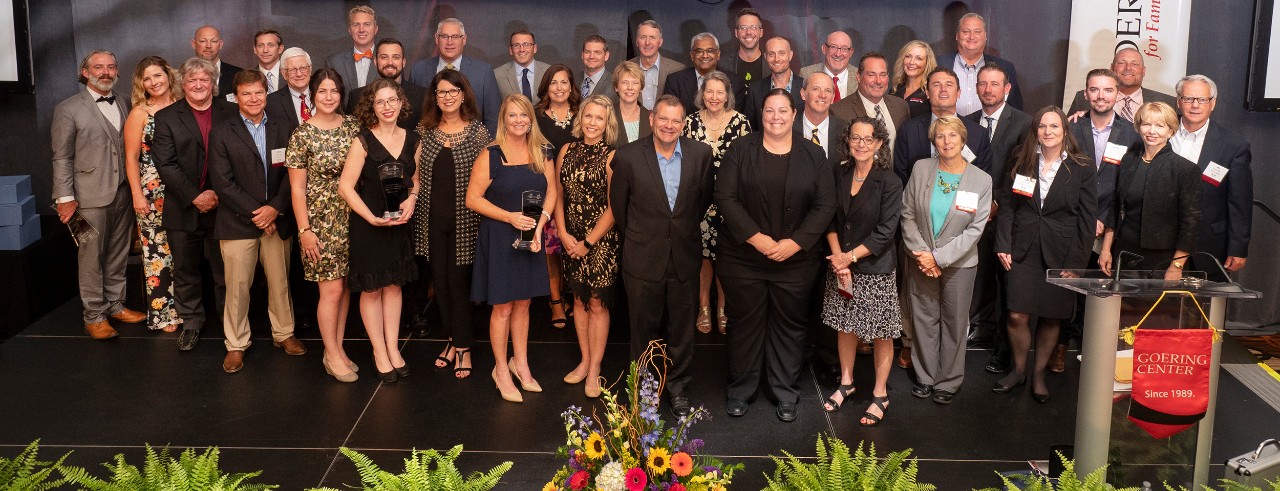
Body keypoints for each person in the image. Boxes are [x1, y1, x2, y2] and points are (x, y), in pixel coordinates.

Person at [717, 89, 836, 422]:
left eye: (783, 111)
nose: (776, 117)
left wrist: (794, 243)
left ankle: (785, 391)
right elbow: (725, 198)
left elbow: (826, 205)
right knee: (744, 323)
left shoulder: (814, 154)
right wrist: (758, 240)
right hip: (743, 258)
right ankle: (741, 389)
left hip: (795, 261)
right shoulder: (740, 150)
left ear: (794, 115)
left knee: (789, 325)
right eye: (769, 111)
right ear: (761, 115)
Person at [610, 94, 714, 417]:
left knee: (682, 329)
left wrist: (676, 231)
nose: (669, 125)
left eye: (676, 120)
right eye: (663, 119)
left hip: (684, 255)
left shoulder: (700, 154)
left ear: (683, 123)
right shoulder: (627, 156)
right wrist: (644, 236)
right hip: (642, 257)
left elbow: (702, 200)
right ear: (652, 119)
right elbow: (619, 207)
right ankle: (644, 390)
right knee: (643, 329)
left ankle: (678, 389)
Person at [994, 107, 1096, 404]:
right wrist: (1003, 243)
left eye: (1054, 126)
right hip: (1021, 247)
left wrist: (1077, 263)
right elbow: (1007, 205)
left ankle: (1039, 374)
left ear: (1065, 130)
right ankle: (1019, 370)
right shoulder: (1021, 158)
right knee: (1016, 313)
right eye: (1042, 126)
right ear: (1035, 129)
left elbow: (1087, 220)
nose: (1048, 131)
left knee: (1052, 317)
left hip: (1062, 252)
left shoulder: (1082, 166)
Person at [466, 94, 558, 403]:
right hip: (500, 237)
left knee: (524, 304)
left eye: (524, 116)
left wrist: (541, 225)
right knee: (503, 306)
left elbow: (552, 193)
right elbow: (473, 199)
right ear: (503, 120)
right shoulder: (489, 155)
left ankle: (520, 365)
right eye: (512, 116)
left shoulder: (543, 151)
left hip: (530, 238)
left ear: (531, 119)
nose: (518, 121)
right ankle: (500, 371)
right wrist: (510, 217)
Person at [207, 70, 300, 374]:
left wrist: (275, 208)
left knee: (280, 282)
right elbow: (223, 182)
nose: (253, 99)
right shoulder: (222, 131)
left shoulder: (283, 127)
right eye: (246, 94)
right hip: (237, 223)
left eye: (259, 92)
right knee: (237, 287)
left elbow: (294, 173)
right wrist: (259, 213)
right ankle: (236, 344)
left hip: (277, 218)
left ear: (266, 93)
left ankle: (284, 333)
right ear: (235, 97)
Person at [51, 49, 144, 340]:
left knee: (118, 254)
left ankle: (115, 305)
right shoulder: (68, 108)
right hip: (86, 198)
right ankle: (94, 316)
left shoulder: (127, 103)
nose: (106, 72)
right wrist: (64, 196)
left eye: (111, 67)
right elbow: (62, 157)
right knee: (91, 257)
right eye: (99, 67)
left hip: (124, 193)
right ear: (85, 72)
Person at [900, 115, 992, 405]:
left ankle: (948, 381)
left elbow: (976, 229)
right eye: (940, 136)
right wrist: (924, 256)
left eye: (952, 136)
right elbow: (907, 214)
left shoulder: (981, 179)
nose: (946, 141)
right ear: (933, 140)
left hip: (959, 265)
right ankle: (925, 377)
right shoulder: (921, 168)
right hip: (921, 259)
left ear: (963, 139)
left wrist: (938, 258)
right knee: (924, 318)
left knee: (954, 322)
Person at [1056, 68, 1141, 374]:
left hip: (1110, 227)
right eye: (1095, 90)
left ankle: (1092, 352)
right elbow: (1060, 179)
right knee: (1067, 290)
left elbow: (1128, 186)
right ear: (1086, 93)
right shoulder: (1070, 128)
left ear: (1117, 94)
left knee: (1100, 292)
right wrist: (1084, 218)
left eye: (1107, 90)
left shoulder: (1132, 134)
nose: (1101, 96)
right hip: (1073, 222)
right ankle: (1061, 346)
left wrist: (1103, 219)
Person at [819, 117, 902, 425]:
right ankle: (846, 382)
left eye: (868, 139)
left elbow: (885, 231)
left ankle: (880, 393)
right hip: (841, 263)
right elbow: (829, 219)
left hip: (874, 267)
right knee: (845, 325)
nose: (861, 144)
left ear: (879, 143)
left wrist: (848, 257)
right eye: (856, 138)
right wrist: (838, 256)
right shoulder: (838, 172)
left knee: (881, 332)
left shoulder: (889, 181)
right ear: (848, 141)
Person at [339, 78, 421, 382]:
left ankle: (393, 347)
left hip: (398, 222)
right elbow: (345, 187)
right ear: (372, 107)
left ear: (401, 103)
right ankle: (378, 351)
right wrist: (371, 219)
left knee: (394, 286)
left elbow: (415, 181)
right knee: (372, 289)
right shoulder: (362, 141)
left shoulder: (413, 139)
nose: (387, 107)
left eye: (392, 100)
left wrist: (412, 199)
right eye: (380, 102)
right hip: (369, 224)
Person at [152, 57, 237, 351]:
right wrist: (196, 196)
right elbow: (165, 164)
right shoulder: (166, 117)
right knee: (186, 271)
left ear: (213, 83)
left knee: (225, 272)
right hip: (183, 207)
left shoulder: (231, 112)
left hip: (224, 207)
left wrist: (216, 193)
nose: (199, 85)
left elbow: (238, 159)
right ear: (182, 84)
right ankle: (191, 324)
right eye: (192, 80)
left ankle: (232, 325)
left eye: (204, 80)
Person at [285, 68, 361, 383]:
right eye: (322, 92)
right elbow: (297, 189)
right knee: (329, 291)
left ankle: (339, 348)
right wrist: (305, 231)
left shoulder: (354, 127)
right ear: (313, 95)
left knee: (343, 289)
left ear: (341, 95)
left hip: (353, 217)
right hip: (321, 222)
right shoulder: (302, 134)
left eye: (334, 91)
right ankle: (330, 353)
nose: (328, 97)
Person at [415, 69, 489, 380]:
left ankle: (464, 347)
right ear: (435, 97)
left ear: (463, 94)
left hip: (466, 222)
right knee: (440, 285)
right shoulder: (425, 130)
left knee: (459, 286)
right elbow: (416, 175)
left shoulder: (478, 133)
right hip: (431, 220)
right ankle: (450, 339)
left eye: (452, 92)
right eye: (441, 92)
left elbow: (488, 180)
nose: (447, 97)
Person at [963, 62, 1032, 371]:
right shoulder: (965, 123)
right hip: (969, 213)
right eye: (983, 84)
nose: (988, 89)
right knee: (975, 276)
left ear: (1007, 89)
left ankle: (1003, 349)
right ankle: (978, 329)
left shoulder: (1025, 123)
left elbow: (1023, 170)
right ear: (976, 88)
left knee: (1006, 283)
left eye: (995, 84)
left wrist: (998, 205)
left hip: (1007, 215)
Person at [555, 95, 619, 398]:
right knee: (578, 300)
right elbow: (557, 194)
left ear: (607, 125)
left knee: (596, 302)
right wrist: (564, 234)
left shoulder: (611, 156)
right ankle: (584, 360)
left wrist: (588, 241)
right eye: (589, 116)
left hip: (600, 240)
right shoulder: (566, 149)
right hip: (570, 238)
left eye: (599, 119)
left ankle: (595, 369)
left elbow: (614, 206)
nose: (593, 123)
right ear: (581, 119)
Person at [682, 71, 751, 335]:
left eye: (719, 92)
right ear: (702, 94)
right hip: (697, 201)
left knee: (725, 256)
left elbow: (747, 165)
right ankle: (703, 308)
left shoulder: (741, 122)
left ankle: (723, 307)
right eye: (709, 91)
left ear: (727, 95)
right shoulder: (689, 122)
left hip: (731, 201)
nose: (714, 97)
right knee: (702, 257)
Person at [1098, 102, 1202, 277]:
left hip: (1162, 259)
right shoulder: (1129, 160)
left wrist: (1176, 266)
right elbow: (1115, 208)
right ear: (1139, 128)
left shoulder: (1185, 169)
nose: (1152, 131)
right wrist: (1106, 249)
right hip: (1124, 253)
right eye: (1146, 124)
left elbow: (1190, 224)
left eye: (1160, 126)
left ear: (1171, 131)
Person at [1170, 75, 1253, 279]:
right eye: (1188, 99)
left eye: (1203, 100)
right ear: (1178, 101)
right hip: (1162, 243)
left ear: (1213, 104)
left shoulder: (1233, 145)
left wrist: (1238, 247)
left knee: (1201, 310)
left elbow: (1240, 202)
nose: (1195, 105)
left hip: (1209, 247)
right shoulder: (1160, 132)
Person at [122, 56, 182, 333]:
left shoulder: (183, 105)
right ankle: (163, 314)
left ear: (168, 76)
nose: (153, 82)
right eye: (147, 78)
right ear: (141, 84)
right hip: (151, 191)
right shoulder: (139, 113)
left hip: (183, 188)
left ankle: (186, 308)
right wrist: (137, 194)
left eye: (157, 75)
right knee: (157, 251)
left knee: (184, 251)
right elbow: (131, 158)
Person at [534, 64, 581, 329]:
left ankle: (575, 297)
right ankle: (555, 302)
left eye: (564, 82)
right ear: (546, 88)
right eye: (553, 83)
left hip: (579, 193)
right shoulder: (537, 116)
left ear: (571, 85)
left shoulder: (582, 113)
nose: (559, 88)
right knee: (552, 250)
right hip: (547, 191)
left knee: (574, 248)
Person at [409, 18, 501, 136]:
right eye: (444, 36)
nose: (450, 42)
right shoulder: (418, 71)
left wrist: (487, 149)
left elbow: (493, 117)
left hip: (474, 147)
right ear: (437, 39)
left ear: (464, 39)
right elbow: (413, 116)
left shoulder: (483, 72)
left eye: (455, 36)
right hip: (428, 146)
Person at [937, 13, 1023, 115]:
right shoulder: (937, 64)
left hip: (990, 130)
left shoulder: (1005, 68)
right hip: (946, 129)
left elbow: (1015, 113)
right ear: (957, 35)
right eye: (966, 32)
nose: (971, 36)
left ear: (985, 36)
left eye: (977, 32)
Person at [1067, 47, 1177, 120]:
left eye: (1135, 64)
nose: (1128, 68)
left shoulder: (1168, 103)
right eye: (1121, 63)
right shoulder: (1083, 98)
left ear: (1144, 71)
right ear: (1111, 68)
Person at [830, 53, 910, 149]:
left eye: (882, 74)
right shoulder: (838, 111)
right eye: (871, 74)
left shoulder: (901, 106)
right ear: (859, 77)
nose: (878, 81)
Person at [346, 38, 427, 130]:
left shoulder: (422, 95)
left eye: (396, 57)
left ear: (403, 62)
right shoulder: (356, 96)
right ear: (375, 62)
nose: (390, 62)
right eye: (384, 57)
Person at [664, 32, 739, 116]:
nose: (705, 55)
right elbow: (670, 116)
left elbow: (735, 116)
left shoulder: (735, 81)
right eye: (699, 51)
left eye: (710, 51)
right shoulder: (675, 81)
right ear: (692, 55)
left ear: (718, 55)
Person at [743, 36, 802, 129]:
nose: (776, 59)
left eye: (781, 53)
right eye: (771, 54)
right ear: (765, 56)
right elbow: (750, 128)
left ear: (790, 55)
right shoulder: (755, 89)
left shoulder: (805, 87)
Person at [629, 19, 686, 110]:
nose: (647, 43)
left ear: (660, 42)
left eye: (652, 38)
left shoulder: (678, 69)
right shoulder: (626, 68)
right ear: (636, 41)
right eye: (643, 37)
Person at [325, 5, 379, 93]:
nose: (361, 29)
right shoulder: (333, 62)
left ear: (375, 29)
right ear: (350, 30)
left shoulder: (388, 60)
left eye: (367, 24)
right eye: (356, 24)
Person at [796, 72, 847, 159]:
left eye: (828, 90)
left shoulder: (844, 130)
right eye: (816, 89)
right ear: (803, 94)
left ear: (833, 97)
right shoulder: (788, 127)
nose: (822, 95)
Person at [718, 7, 765, 99]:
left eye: (754, 27)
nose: (748, 32)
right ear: (736, 33)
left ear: (761, 32)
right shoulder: (722, 64)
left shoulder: (771, 63)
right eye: (743, 28)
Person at [495, 30, 550, 104]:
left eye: (526, 44)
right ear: (511, 50)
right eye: (516, 45)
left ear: (535, 48)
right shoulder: (497, 75)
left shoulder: (549, 71)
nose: (522, 50)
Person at [265, 48, 313, 131]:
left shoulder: (325, 96)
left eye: (303, 68)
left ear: (310, 69)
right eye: (292, 70)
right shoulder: (271, 103)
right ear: (284, 74)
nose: (299, 74)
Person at [799, 31, 854, 103]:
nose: (838, 54)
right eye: (833, 47)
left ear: (850, 52)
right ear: (824, 49)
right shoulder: (806, 74)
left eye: (844, 48)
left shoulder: (861, 77)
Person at [889, 40, 937, 119]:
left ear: (927, 63)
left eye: (918, 58)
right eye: (908, 56)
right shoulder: (895, 90)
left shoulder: (931, 91)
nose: (911, 62)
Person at [191, 26, 242, 98]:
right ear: (194, 44)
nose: (208, 46)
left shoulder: (239, 74)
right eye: (203, 41)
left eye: (213, 41)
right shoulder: (182, 76)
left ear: (220, 45)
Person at [611, 61, 651, 144]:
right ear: (616, 87)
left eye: (635, 83)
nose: (630, 87)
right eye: (624, 83)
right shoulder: (607, 115)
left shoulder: (651, 118)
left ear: (641, 87)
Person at [252, 29, 284, 94]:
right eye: (260, 45)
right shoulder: (247, 76)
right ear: (255, 49)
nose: (265, 50)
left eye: (271, 45)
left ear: (280, 49)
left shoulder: (292, 74)